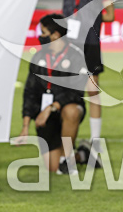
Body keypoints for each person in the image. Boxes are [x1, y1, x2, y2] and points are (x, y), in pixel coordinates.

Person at [43, 0, 114, 167]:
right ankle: (64, 146)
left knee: (92, 91)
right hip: (68, 43)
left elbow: (111, 15)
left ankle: (95, 143)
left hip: (90, 42)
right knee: (65, 92)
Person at [15, 13, 87, 174]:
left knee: (72, 110)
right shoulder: (38, 57)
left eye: (43, 33)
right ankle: (83, 154)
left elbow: (75, 91)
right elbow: (30, 92)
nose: (40, 37)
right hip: (45, 116)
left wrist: (51, 107)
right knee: (52, 168)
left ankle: (67, 159)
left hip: (65, 109)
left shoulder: (76, 56)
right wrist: (25, 125)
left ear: (55, 35)